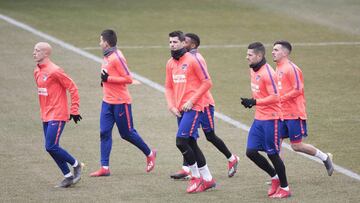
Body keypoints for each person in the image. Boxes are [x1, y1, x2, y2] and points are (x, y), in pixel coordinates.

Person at [170, 33, 239, 180]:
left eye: (185, 42)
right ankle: (187, 168)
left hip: (204, 104)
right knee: (189, 137)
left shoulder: (196, 59)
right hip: (192, 103)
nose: (182, 44)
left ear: (192, 45)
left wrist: (192, 100)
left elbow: (205, 82)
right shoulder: (181, 60)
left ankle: (231, 158)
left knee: (209, 136)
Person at [90, 29, 156, 177]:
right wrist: (104, 82)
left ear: (106, 43)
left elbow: (128, 78)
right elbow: (107, 76)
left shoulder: (117, 57)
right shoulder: (106, 57)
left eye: (101, 40)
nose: (99, 43)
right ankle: (104, 167)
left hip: (121, 102)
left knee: (127, 133)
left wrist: (109, 80)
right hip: (107, 101)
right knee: (104, 132)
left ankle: (150, 153)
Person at [272, 40, 334, 176]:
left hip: (294, 113)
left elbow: (298, 89)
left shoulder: (291, 68)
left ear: (284, 52)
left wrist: (280, 99)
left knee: (296, 146)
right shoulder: (278, 67)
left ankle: (325, 157)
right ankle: (279, 177)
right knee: (276, 145)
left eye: (276, 50)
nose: (273, 52)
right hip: (281, 114)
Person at [165, 31, 216, 193]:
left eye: (175, 42)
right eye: (170, 42)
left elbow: (207, 82)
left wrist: (191, 101)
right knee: (191, 142)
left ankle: (195, 177)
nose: (172, 45)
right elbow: (168, 87)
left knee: (181, 141)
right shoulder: (170, 63)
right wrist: (171, 105)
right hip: (180, 109)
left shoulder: (193, 60)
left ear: (182, 43)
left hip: (194, 107)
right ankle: (208, 179)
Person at [241, 42, 291, 198]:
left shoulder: (267, 73)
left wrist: (255, 102)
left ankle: (285, 188)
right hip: (259, 118)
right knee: (251, 152)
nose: (246, 57)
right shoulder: (253, 69)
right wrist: (253, 101)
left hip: (272, 119)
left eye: (250, 55)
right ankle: (274, 177)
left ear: (259, 56)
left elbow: (276, 97)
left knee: (273, 154)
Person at [33, 42, 83, 188]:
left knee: (50, 146)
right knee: (51, 147)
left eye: (37, 50)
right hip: (46, 115)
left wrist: (74, 110)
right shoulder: (36, 71)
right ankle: (68, 176)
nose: (34, 53)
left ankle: (76, 164)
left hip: (58, 114)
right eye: (34, 50)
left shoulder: (55, 71)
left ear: (46, 53)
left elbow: (72, 87)